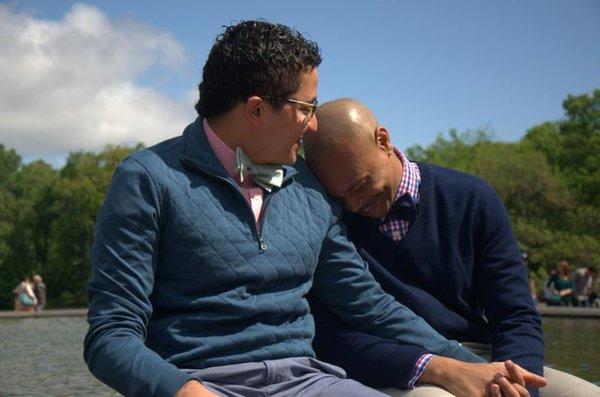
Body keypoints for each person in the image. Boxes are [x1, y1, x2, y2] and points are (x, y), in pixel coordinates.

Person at [84, 22, 545, 397]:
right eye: (306, 107)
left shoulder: (307, 186)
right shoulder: (147, 180)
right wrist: (181, 390)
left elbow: (370, 306)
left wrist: (476, 368)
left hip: (311, 380)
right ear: (257, 111)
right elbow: (111, 335)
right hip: (199, 382)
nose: (314, 124)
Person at [303, 98, 600, 397]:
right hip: (398, 364)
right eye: (340, 197)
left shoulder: (472, 198)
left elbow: (515, 315)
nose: (354, 205)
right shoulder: (330, 223)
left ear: (383, 141)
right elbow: (332, 338)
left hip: (482, 355)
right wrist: (434, 367)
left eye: (359, 186)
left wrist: (516, 386)